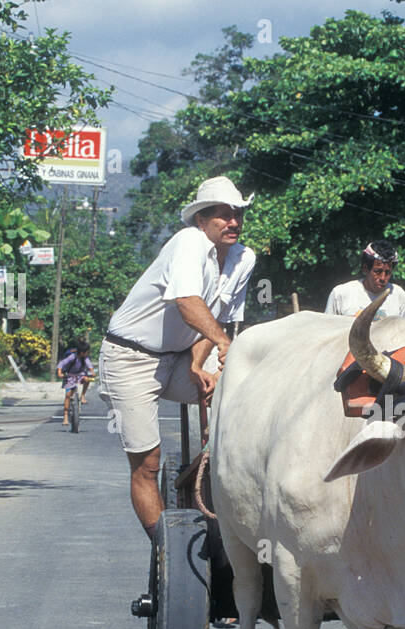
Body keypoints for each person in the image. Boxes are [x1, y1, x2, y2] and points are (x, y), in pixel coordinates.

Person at [98, 175, 257, 541]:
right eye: (222, 215)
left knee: (244, 390)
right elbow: (188, 303)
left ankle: (226, 478)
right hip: (129, 358)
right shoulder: (188, 241)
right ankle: (165, 552)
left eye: (238, 214)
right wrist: (222, 343)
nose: (233, 222)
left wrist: (199, 362)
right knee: (147, 466)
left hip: (180, 357)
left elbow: (218, 317)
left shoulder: (244, 257)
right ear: (201, 220)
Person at [322, 240, 405, 319]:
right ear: (365, 269)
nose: (383, 278)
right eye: (377, 271)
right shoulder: (341, 294)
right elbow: (327, 329)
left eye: (387, 272)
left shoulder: (399, 296)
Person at [57, 340, 95, 425]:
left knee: (86, 379)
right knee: (68, 395)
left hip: (80, 375)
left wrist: (92, 372)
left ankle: (82, 396)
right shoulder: (72, 357)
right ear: (82, 352)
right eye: (87, 352)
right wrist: (60, 373)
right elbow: (61, 364)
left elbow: (90, 366)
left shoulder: (85, 358)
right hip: (70, 376)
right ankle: (65, 417)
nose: (88, 354)